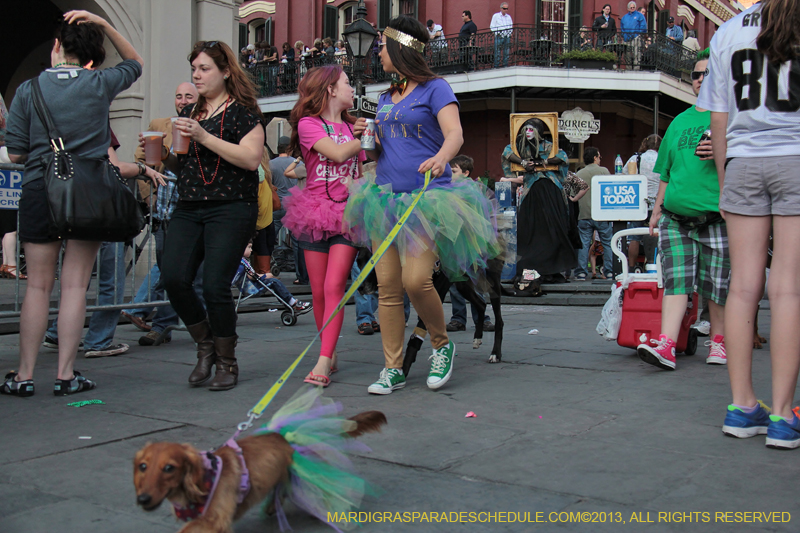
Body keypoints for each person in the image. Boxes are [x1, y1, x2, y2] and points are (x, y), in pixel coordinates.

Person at [344, 16, 500, 395]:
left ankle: (441, 345)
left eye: (383, 46)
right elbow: (380, 152)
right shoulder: (384, 98)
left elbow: (455, 133)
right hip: (385, 200)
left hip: (427, 200)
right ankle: (392, 367)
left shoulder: (436, 88)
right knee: (388, 288)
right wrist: (368, 138)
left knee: (416, 281)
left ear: (401, 48)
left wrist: (442, 158)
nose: (379, 53)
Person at [2, 10, 145, 397]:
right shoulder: (100, 82)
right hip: (87, 193)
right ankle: (65, 375)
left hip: (40, 188)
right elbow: (135, 62)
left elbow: (15, 153)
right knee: (75, 286)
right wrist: (106, 23)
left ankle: (24, 376)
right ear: (93, 55)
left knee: (37, 287)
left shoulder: (28, 90)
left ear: (56, 47)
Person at [699, 0, 800, 448]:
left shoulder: (729, 31)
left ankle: (742, 407)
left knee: (741, 286)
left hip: (742, 162)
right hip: (795, 156)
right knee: (788, 288)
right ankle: (782, 414)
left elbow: (718, 118)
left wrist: (725, 182)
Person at [159, 40, 265, 392]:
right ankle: (205, 344)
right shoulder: (192, 113)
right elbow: (183, 165)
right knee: (174, 277)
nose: (197, 75)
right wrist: (164, 156)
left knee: (215, 284)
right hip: (190, 205)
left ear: (225, 71)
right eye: (194, 69)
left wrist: (203, 136)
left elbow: (250, 159)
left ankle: (226, 361)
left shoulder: (243, 111)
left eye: (204, 69)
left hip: (232, 206)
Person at [636, 48, 728, 372]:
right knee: (676, 282)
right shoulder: (678, 122)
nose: (701, 79)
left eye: (708, 73)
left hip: (718, 217)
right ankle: (667, 344)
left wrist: (723, 149)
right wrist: (656, 210)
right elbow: (666, 172)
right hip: (676, 218)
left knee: (718, 285)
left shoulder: (731, 117)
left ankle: (718, 341)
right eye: (696, 74)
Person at [282, 64, 367, 388]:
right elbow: (337, 153)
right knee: (318, 291)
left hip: (347, 215)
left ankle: (323, 359)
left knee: (334, 287)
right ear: (330, 89)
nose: (351, 88)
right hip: (314, 213)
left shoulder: (352, 126)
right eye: (346, 83)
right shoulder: (309, 124)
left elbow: (359, 168)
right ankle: (328, 352)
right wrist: (361, 138)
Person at [122, 81, 199, 332]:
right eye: (179, 96)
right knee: (168, 266)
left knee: (177, 268)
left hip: (194, 208)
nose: (183, 101)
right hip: (166, 209)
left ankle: (160, 320)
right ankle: (161, 323)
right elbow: (141, 158)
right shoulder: (160, 124)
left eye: (188, 96)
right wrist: (149, 196)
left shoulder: (205, 126)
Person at [501, 119, 573, 284]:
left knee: (551, 230)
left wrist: (542, 163)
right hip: (533, 192)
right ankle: (534, 269)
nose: (528, 133)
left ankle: (550, 269)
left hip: (549, 190)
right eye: (526, 129)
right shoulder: (519, 147)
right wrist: (523, 163)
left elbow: (562, 157)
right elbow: (507, 153)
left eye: (532, 129)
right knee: (531, 230)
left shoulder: (549, 146)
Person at [446, 155, 494, 332]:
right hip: (454, 239)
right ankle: (458, 318)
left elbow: (482, 214)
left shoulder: (474, 189)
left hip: (472, 240)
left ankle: (482, 317)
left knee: (476, 280)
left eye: (454, 171)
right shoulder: (447, 189)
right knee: (455, 281)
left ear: (466, 173)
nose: (450, 174)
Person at [234, 240, 311, 314]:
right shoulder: (242, 263)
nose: (251, 250)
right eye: (249, 247)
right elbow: (251, 276)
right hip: (252, 288)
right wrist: (265, 275)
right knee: (274, 281)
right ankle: (292, 302)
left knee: (274, 282)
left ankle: (289, 302)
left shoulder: (239, 261)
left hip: (250, 286)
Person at [623, 134, 662, 270]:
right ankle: (654, 265)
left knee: (635, 237)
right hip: (657, 203)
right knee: (657, 235)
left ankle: (632, 267)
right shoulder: (662, 158)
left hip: (638, 204)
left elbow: (624, 174)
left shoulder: (636, 158)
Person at [574, 147, 612, 281]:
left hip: (584, 214)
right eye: (599, 157)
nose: (600, 159)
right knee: (607, 243)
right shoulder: (604, 171)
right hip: (602, 214)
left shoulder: (579, 174)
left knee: (584, 244)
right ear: (595, 157)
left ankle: (581, 272)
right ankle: (609, 272)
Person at [0, 90, 23, 280]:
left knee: (9, 226)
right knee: (10, 226)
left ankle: (9, 264)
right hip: (7, 183)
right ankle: (11, 265)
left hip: (8, 183)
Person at [284, 155, 310, 285]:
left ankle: (302, 276)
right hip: (314, 207)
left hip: (302, 208)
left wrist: (297, 160)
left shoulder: (306, 167)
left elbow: (287, 172)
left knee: (299, 243)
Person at [620, 1, 646, 68]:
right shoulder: (624, 17)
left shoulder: (640, 15)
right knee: (627, 55)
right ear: (628, 8)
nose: (632, 8)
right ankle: (628, 69)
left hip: (636, 37)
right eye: (631, 7)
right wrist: (624, 35)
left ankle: (636, 69)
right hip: (626, 38)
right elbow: (622, 27)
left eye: (633, 7)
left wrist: (638, 34)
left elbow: (643, 26)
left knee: (636, 54)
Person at [491, 3, 513, 68]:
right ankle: (496, 65)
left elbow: (511, 26)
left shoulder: (508, 17)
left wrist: (509, 34)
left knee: (506, 51)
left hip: (507, 36)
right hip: (499, 36)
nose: (505, 10)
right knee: (497, 51)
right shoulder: (496, 16)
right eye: (504, 8)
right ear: (501, 8)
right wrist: (497, 33)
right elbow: (492, 26)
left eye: (507, 9)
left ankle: (505, 64)